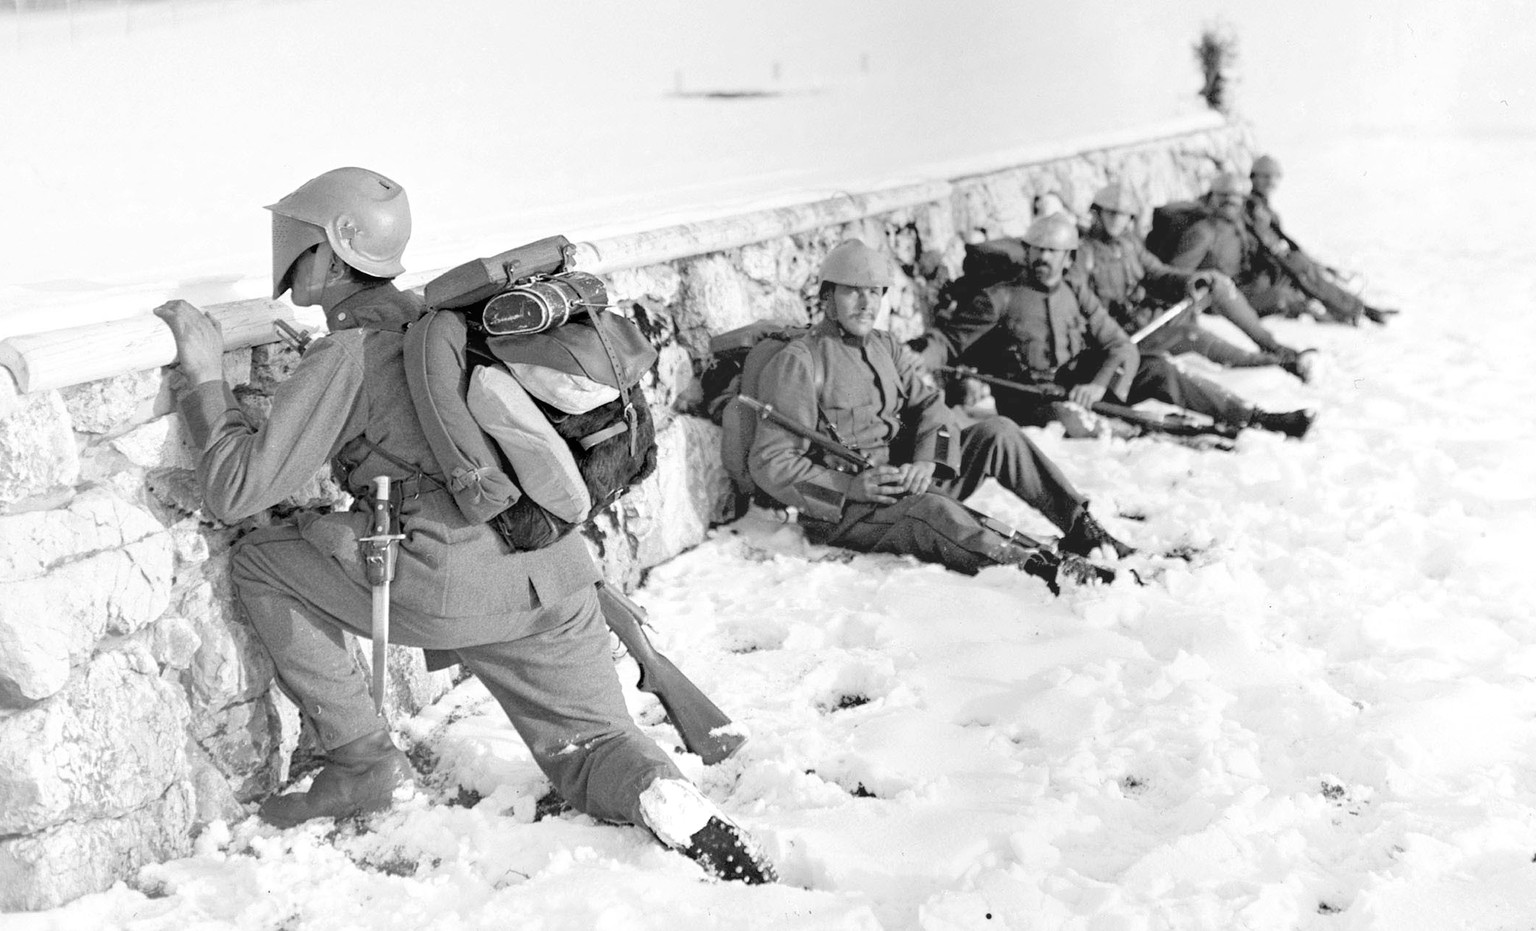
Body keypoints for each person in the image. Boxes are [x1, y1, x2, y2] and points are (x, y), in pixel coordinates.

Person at [153, 167, 774, 884]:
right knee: (594, 746)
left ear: (330, 252)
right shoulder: (444, 322)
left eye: (301, 248)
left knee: (262, 561)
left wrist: (205, 379)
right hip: (555, 567)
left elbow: (236, 488)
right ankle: (657, 791)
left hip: (446, 583)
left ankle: (361, 761)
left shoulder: (348, 353)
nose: (292, 265)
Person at [749, 239, 1129, 590]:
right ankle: (1036, 568)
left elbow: (932, 406)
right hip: (850, 512)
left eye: (873, 293)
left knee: (999, 432)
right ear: (828, 298)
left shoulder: (885, 347)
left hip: (907, 482)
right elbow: (771, 462)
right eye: (851, 292)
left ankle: (1082, 528)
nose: (866, 304)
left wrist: (926, 462)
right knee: (932, 511)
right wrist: (850, 488)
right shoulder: (800, 362)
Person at [915, 212, 1315, 439]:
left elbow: (1120, 344)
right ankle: (1184, 434)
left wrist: (1099, 383)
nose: (1044, 259)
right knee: (1093, 427)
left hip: (1079, 386)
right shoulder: (999, 296)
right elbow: (948, 341)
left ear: (1069, 257)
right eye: (1037, 250)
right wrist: (918, 357)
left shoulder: (1076, 292)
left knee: (1157, 366)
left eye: (1054, 253)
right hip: (1033, 401)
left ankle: (1254, 416)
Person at [1077, 182, 1316, 382]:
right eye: (1112, 214)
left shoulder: (1128, 245)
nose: (1118, 221)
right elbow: (1084, 312)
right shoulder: (1083, 253)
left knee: (1217, 286)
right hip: (1123, 336)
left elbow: (1159, 273)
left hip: (1146, 316)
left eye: (1124, 215)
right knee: (1193, 337)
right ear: (1097, 212)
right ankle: (1274, 364)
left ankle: (1276, 349)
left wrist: (1193, 280)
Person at [1244, 154, 1398, 325]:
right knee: (1306, 272)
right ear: (1253, 177)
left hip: (1271, 263)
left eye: (1274, 177)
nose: (1270, 182)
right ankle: (1357, 311)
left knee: (1312, 272)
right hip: (1260, 268)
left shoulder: (1262, 207)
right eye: (1265, 177)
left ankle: (1359, 309)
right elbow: (1265, 243)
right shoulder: (1252, 207)